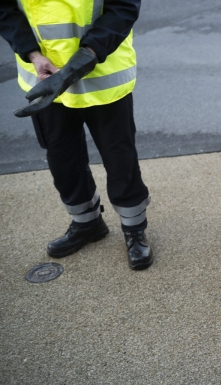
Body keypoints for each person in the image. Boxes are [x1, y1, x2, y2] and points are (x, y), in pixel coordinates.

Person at [0, 0, 153, 270]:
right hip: (44, 77)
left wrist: (84, 58)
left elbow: (124, 8)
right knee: (62, 159)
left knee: (120, 158)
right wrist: (33, 54)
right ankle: (87, 224)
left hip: (102, 75)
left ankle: (134, 229)